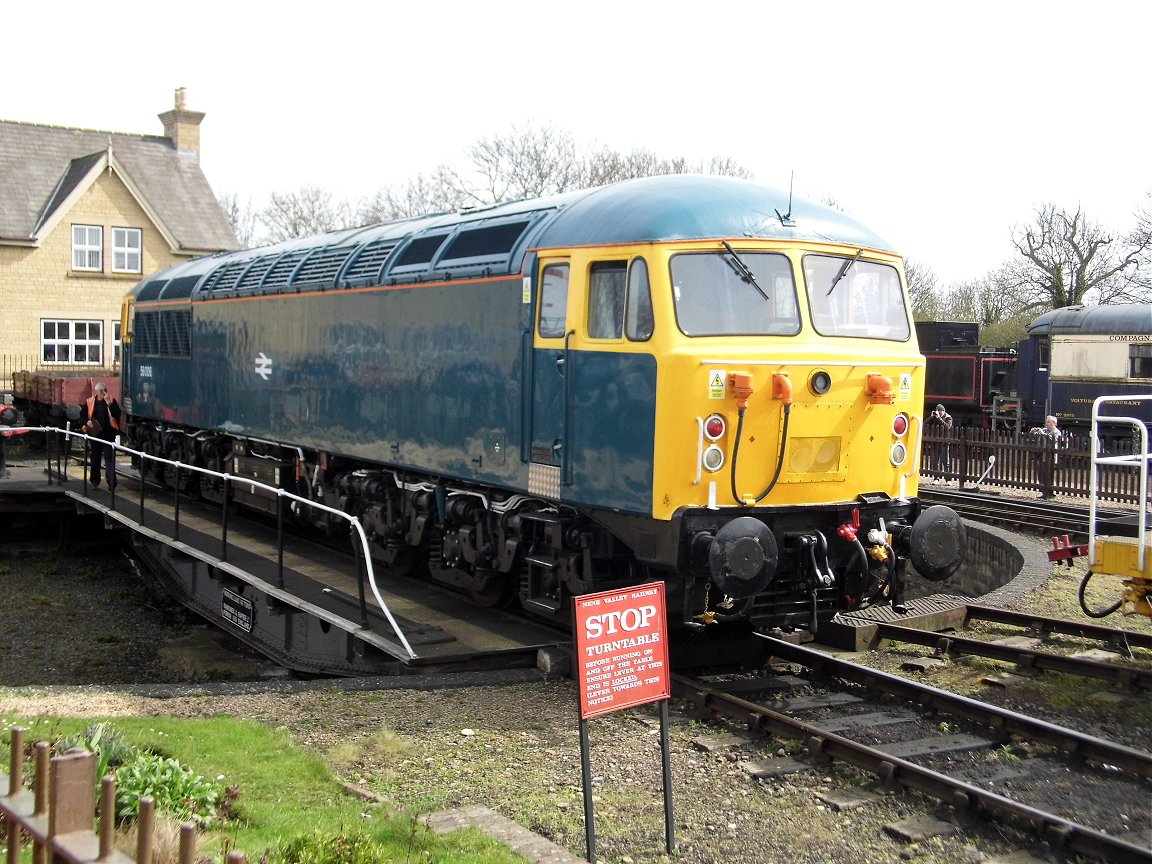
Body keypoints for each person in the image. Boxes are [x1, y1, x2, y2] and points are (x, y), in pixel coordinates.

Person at [79, 382, 122, 489]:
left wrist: (110, 404)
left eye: (105, 390)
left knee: (109, 458)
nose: (104, 393)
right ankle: (94, 481)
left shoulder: (111, 401)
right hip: (95, 434)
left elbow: (117, 414)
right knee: (95, 458)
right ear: (96, 392)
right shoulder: (90, 401)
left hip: (108, 434)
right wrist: (86, 422)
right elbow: (82, 416)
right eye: (101, 391)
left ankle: (112, 483)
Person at [1030, 415, 1063, 499]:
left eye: (1048, 422)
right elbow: (1033, 435)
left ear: (1054, 423)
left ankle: (1049, 492)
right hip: (1041, 455)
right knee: (1040, 474)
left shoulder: (1057, 432)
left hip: (1051, 457)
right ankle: (1044, 492)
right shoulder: (1045, 430)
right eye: (1046, 422)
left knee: (1048, 475)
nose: (1046, 423)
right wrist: (1034, 431)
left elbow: (1052, 440)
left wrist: (1043, 434)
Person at [925, 403, 954, 484]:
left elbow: (947, 427)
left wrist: (939, 419)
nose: (940, 413)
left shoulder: (948, 418)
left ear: (944, 411)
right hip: (935, 443)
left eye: (941, 411)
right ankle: (936, 478)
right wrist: (931, 417)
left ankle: (948, 480)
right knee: (935, 461)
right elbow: (925, 424)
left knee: (945, 462)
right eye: (939, 411)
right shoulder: (934, 418)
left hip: (944, 443)